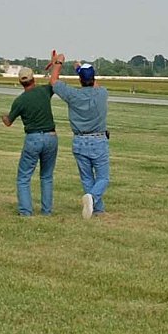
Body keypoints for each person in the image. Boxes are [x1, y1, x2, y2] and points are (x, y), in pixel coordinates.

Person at [49, 53, 109, 219]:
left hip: (79, 140)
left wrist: (58, 62)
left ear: (80, 80)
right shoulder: (102, 93)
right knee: (103, 177)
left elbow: (53, 81)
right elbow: (94, 83)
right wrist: (80, 69)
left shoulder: (73, 95)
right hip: (98, 139)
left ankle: (96, 210)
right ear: (93, 78)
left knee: (87, 178)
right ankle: (93, 200)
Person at [2, 67, 58, 216]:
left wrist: (4, 117)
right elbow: (54, 80)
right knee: (46, 176)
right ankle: (47, 211)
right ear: (34, 78)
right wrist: (56, 64)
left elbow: (8, 122)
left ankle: (26, 212)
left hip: (33, 138)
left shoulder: (20, 101)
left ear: (21, 82)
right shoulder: (44, 91)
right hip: (51, 136)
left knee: (23, 177)